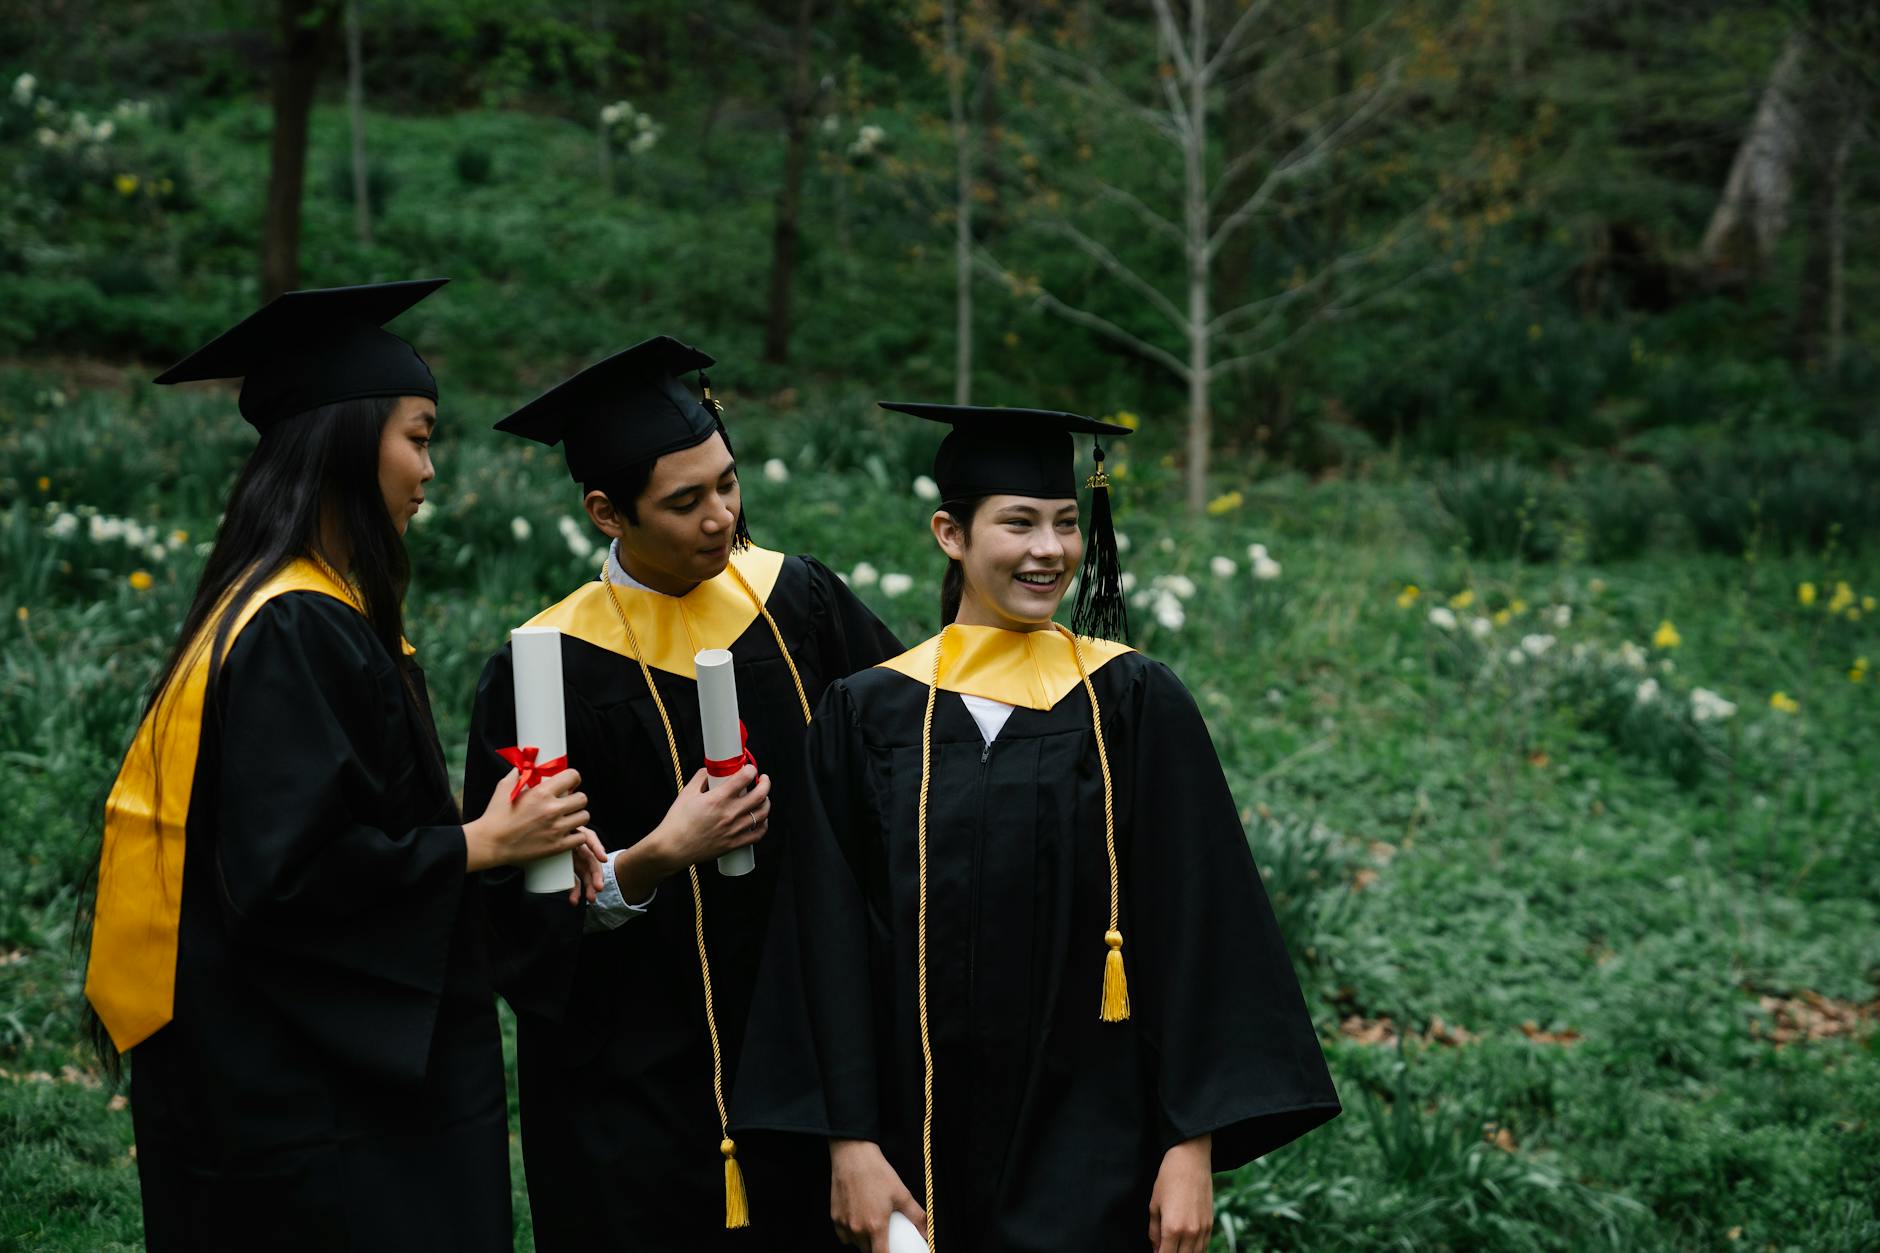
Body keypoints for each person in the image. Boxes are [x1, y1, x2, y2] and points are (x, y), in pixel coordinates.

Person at [732, 404, 1341, 1253]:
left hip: (1094, 1154)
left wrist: (1190, 1144)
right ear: (950, 532)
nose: (1049, 550)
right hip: (912, 1151)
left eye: (1063, 523)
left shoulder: (1132, 702)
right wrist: (850, 1140)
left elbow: (1200, 924)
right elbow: (822, 936)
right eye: (1018, 523)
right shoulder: (867, 714)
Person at [81, 280, 605, 1253]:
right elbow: (292, 874)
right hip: (304, 1102)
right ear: (343, 439)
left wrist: (494, 844)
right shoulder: (293, 624)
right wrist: (480, 842)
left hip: (264, 1067)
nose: (430, 468)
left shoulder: (277, 603)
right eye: (418, 434)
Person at [463, 335, 904, 1251]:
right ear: (604, 512)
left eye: (728, 483)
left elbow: (910, 763)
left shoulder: (800, 604)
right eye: (685, 500)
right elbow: (513, 916)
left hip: (812, 1054)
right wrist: (656, 856)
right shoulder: (548, 666)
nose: (722, 516)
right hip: (633, 1088)